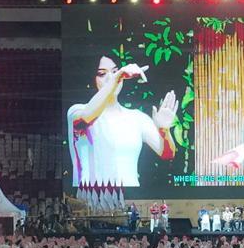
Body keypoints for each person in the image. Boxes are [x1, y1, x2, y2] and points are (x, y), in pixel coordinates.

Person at [67, 55, 178, 187]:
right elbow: (87, 116)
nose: (111, 77)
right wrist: (116, 77)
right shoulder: (77, 111)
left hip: (130, 199)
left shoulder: (137, 118)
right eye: (102, 74)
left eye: (115, 71)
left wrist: (164, 130)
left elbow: (167, 154)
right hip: (89, 202)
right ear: (92, 79)